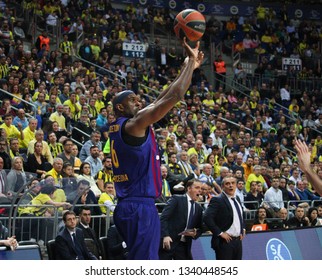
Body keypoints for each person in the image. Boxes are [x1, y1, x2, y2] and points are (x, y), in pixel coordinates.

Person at [108, 38, 204, 260]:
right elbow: (177, 96)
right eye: (132, 100)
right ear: (120, 107)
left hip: (129, 205)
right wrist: (190, 61)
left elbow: (165, 96)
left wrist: (186, 68)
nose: (138, 102)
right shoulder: (133, 124)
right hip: (139, 206)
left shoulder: (127, 126)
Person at [159, 179, 203, 260]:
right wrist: (165, 235)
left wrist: (195, 233)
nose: (199, 190)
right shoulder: (177, 199)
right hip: (169, 241)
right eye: (197, 188)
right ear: (189, 189)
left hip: (184, 245)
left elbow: (201, 227)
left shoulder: (198, 208)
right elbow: (163, 218)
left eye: (201, 188)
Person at [203, 176, 246, 260]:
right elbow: (207, 217)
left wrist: (243, 228)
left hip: (238, 241)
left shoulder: (236, 198)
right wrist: (220, 233)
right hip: (224, 242)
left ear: (236, 185)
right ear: (222, 187)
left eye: (233, 183)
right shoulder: (217, 199)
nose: (231, 185)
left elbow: (240, 215)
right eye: (227, 183)